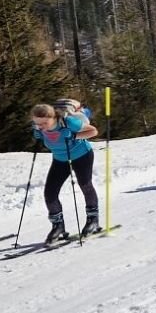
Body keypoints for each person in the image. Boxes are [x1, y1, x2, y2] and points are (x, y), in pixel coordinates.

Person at [31, 100, 101, 244]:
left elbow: (93, 131)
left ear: (53, 117)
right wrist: (38, 134)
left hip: (81, 155)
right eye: (37, 124)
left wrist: (74, 136)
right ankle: (58, 226)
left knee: (85, 185)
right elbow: (44, 136)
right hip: (60, 159)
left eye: (44, 123)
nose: (41, 127)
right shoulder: (39, 128)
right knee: (50, 193)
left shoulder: (68, 122)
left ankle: (93, 220)